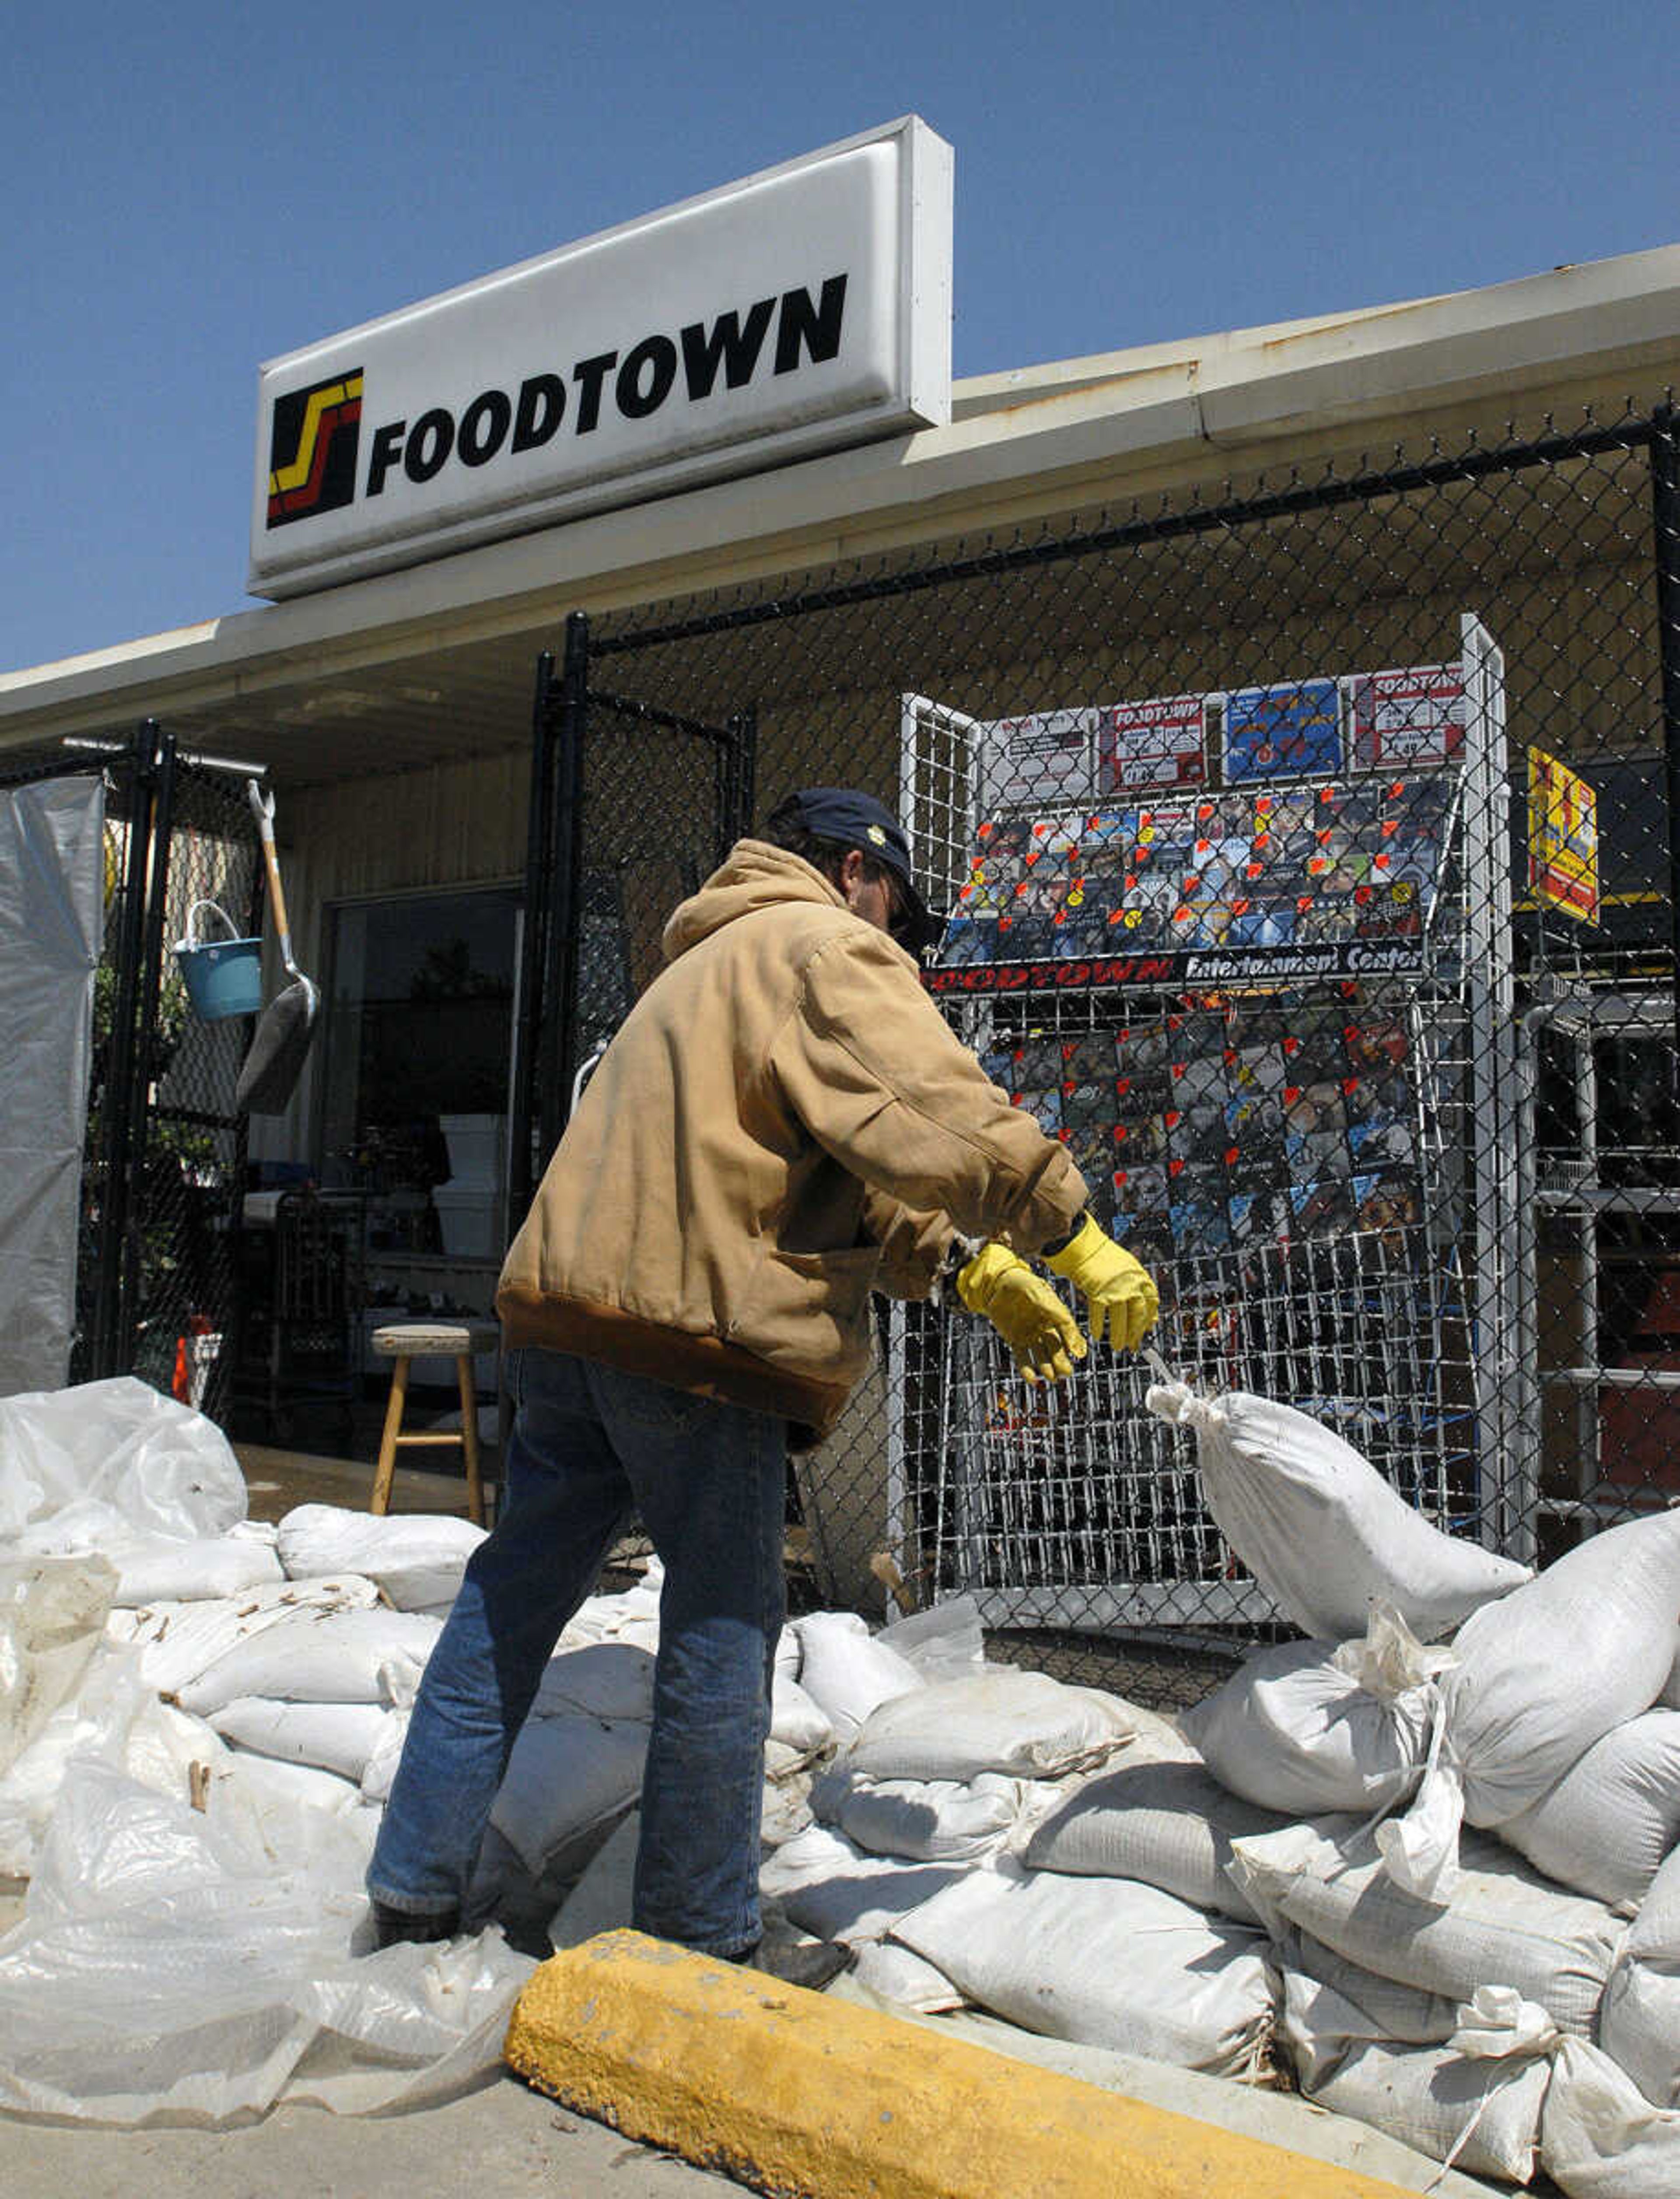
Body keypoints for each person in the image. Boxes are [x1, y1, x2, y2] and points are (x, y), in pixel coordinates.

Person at [364, 787, 1159, 1972]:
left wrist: (964, 1267)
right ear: (854, 872)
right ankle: (699, 1936)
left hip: (565, 1320)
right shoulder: (823, 943)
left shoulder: (696, 963)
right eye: (899, 905)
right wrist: (1062, 1221)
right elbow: (921, 1103)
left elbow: (833, 1160)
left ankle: (414, 1891)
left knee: (510, 1599)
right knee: (723, 1625)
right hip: (694, 1342)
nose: (901, 937)